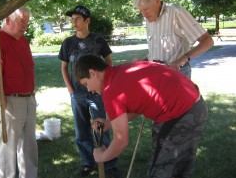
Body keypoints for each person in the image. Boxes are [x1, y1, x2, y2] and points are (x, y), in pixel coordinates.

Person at [74, 54, 208, 178]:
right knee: (180, 168)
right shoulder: (120, 71)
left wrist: (102, 156)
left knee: (161, 172)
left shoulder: (110, 92)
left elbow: (121, 141)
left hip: (180, 114)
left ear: (93, 73)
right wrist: (109, 123)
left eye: (86, 84)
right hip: (195, 105)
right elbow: (140, 104)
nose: (89, 90)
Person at [58, 5, 119, 177]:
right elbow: (64, 67)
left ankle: (108, 162)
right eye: (73, 19)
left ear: (87, 21)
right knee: (81, 128)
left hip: (97, 93)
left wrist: (104, 84)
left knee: (101, 126)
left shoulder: (98, 40)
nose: (74, 22)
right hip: (77, 93)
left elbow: (108, 62)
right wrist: (70, 88)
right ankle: (88, 162)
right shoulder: (68, 43)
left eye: (78, 19)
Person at [0, 7, 38, 178]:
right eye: (21, 21)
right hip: (10, 102)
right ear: (8, 20)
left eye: (27, 22)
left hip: (28, 99)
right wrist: (2, 104)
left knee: (29, 147)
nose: (25, 26)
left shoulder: (22, 40)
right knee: (8, 149)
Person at [133, 0, 214, 78]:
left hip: (178, 73)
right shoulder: (149, 18)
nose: (144, 14)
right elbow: (157, 52)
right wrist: (144, 61)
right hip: (156, 73)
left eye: (146, 9)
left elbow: (208, 41)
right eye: (141, 10)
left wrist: (181, 60)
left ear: (157, 1)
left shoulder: (176, 11)